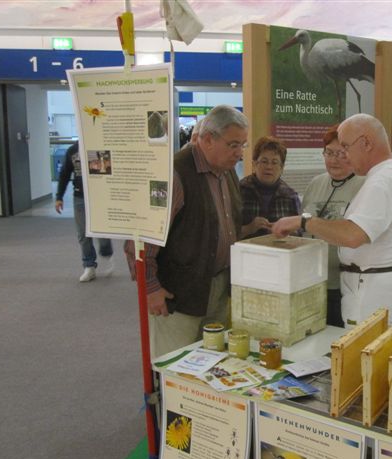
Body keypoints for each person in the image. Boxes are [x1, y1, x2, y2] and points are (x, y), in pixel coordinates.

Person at [272, 114, 392, 327]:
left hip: (374, 291)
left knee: (365, 354)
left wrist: (303, 222)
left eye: (345, 147)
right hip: (386, 284)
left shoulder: (384, 180)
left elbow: (352, 235)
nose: (343, 156)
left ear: (366, 143)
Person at [124, 105, 248, 358]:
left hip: (217, 286)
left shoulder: (226, 171)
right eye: (233, 145)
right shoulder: (174, 174)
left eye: (243, 145)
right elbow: (140, 237)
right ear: (208, 139)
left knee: (212, 361)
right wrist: (150, 287)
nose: (240, 153)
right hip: (177, 296)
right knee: (174, 364)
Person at [301, 125, 365, 327]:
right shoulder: (316, 183)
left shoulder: (365, 185)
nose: (333, 159)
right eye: (329, 153)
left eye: (341, 153)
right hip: (312, 280)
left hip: (346, 284)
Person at [55, 141, 114, 282]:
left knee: (101, 231)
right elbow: (64, 174)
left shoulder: (100, 145)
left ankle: (107, 253)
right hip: (79, 196)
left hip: (99, 196)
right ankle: (89, 266)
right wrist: (59, 197)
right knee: (83, 233)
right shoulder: (72, 150)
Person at [240, 136, 301, 239]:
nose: (269, 167)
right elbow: (227, 233)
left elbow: (299, 234)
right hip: (246, 253)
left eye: (274, 162)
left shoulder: (290, 196)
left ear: (281, 168)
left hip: (279, 253)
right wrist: (249, 228)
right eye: (264, 161)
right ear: (255, 164)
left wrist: (287, 231)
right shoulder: (239, 190)